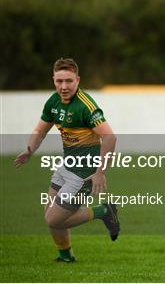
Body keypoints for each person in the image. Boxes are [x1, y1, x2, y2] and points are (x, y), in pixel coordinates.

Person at [14, 58, 120, 262]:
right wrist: (30, 149)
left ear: (77, 80)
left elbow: (110, 137)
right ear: (53, 80)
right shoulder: (53, 102)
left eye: (69, 81)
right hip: (67, 166)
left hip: (84, 174)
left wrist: (100, 172)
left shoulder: (85, 106)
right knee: (51, 215)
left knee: (53, 219)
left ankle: (104, 211)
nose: (63, 86)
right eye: (59, 81)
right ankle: (66, 257)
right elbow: (39, 130)